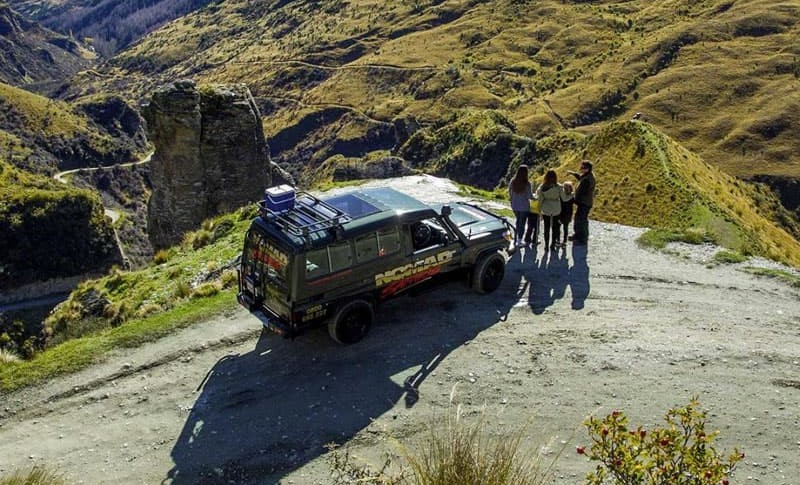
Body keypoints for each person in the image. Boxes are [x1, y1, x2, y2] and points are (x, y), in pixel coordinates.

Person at [536, 169, 569, 251]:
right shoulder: (559, 187)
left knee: (546, 228)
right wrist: (571, 195)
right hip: (556, 209)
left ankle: (546, 246)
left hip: (546, 208)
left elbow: (540, 200)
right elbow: (564, 199)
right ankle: (552, 245)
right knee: (555, 228)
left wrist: (539, 211)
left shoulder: (542, 187)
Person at [568, 160, 596, 245]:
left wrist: (573, 199)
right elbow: (580, 178)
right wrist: (573, 173)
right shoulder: (588, 175)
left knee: (581, 220)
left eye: (582, 167)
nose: (580, 168)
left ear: (587, 169)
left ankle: (582, 239)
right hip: (584, 203)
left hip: (584, 203)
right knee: (579, 219)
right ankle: (577, 235)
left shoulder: (588, 180)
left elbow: (582, 192)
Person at [508, 164, 533, 248]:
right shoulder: (527, 183)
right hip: (524, 206)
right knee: (522, 223)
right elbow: (529, 196)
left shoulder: (513, 181)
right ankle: (519, 240)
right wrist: (535, 197)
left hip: (514, 205)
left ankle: (515, 239)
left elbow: (510, 192)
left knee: (518, 222)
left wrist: (512, 201)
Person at [558, 181, 575, 248]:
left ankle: (559, 240)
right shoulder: (572, 196)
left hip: (561, 213)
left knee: (559, 227)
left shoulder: (561, 196)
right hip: (567, 214)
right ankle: (563, 242)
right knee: (565, 228)